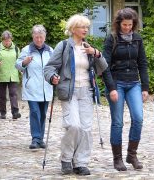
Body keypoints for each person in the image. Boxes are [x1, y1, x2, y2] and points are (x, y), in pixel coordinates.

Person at [44, 14, 108, 176]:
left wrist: (96, 53)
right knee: (74, 125)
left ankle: (81, 162)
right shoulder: (64, 46)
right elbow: (49, 67)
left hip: (86, 91)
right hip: (69, 91)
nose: (85, 29)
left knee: (86, 128)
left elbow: (102, 68)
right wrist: (53, 77)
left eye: (87, 27)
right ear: (73, 29)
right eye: (82, 27)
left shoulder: (88, 47)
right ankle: (66, 158)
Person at [102, 8, 149, 172]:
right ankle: (118, 159)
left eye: (130, 25)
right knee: (118, 122)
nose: (127, 28)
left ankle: (132, 154)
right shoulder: (111, 39)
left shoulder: (137, 39)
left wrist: (145, 87)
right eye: (124, 24)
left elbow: (142, 63)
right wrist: (111, 88)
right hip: (117, 83)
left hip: (134, 83)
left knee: (138, 118)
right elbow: (104, 65)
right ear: (118, 23)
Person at [16, 25, 53, 149]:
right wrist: (24, 62)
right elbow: (18, 65)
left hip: (46, 87)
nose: (38, 40)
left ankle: (40, 138)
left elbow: (54, 66)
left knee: (42, 113)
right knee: (35, 112)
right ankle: (35, 138)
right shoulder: (27, 49)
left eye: (41, 37)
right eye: (36, 37)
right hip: (31, 87)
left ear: (44, 37)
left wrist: (55, 76)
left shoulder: (50, 51)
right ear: (33, 37)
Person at [0, 30, 21, 120]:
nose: (7, 42)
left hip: (13, 75)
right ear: (2, 40)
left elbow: (19, 61)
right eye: (5, 41)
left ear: (11, 39)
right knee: (2, 95)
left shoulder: (16, 48)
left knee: (13, 94)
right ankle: (3, 112)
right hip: (1, 75)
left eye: (9, 40)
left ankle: (15, 112)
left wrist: (21, 69)